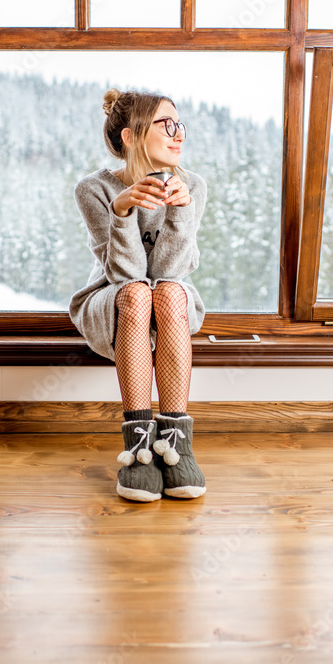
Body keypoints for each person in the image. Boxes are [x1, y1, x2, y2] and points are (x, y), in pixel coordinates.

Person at [69, 87, 208, 503]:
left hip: (170, 302)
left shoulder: (193, 186)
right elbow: (125, 274)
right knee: (136, 293)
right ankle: (138, 446)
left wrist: (180, 212)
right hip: (110, 301)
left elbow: (169, 273)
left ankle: (177, 443)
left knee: (165, 292)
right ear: (130, 136)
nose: (178, 133)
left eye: (179, 124)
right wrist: (122, 211)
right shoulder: (94, 189)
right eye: (166, 125)